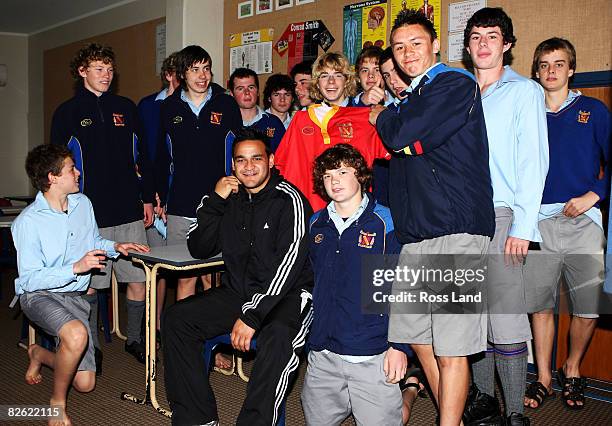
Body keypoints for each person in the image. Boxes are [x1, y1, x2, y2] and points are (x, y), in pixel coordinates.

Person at [369, 10, 495, 425]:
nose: (407, 54)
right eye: (399, 47)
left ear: (436, 45)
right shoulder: (415, 99)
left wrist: (383, 115)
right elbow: (407, 147)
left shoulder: (454, 84)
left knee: (452, 347)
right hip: (417, 235)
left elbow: (400, 136)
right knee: (417, 338)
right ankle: (452, 419)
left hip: (455, 232)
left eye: (416, 43)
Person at [162, 127, 313, 426]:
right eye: (241, 160)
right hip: (239, 293)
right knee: (177, 319)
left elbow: (290, 263)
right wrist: (215, 201)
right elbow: (199, 247)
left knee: (278, 338)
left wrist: (253, 316)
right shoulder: (229, 200)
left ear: (271, 160)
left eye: (256, 158)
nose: (249, 166)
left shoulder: (289, 200)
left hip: (287, 297)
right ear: (233, 166)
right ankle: (198, 419)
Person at [12, 144, 149, 426]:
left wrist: (115, 246)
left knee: (85, 383)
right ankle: (56, 405)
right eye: (71, 168)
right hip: (39, 295)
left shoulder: (82, 203)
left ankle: (38, 353)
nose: (78, 172)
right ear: (52, 177)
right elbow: (29, 279)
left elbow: (93, 243)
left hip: (72, 295)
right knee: (76, 336)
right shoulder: (28, 222)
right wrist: (75, 267)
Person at [462, 8, 549, 426]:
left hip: (502, 215)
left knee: (506, 313)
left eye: (492, 36)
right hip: (462, 218)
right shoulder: (459, 91)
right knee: (472, 314)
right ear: (467, 45)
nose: (483, 44)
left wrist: (523, 226)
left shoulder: (524, 92)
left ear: (507, 44)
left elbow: (535, 162)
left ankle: (515, 412)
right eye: (476, 36)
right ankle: (484, 402)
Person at [302, 144, 423, 426]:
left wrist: (399, 347)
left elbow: (405, 287)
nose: (335, 180)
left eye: (343, 172)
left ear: (361, 176)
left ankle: (411, 389)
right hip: (324, 353)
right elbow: (310, 281)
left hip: (373, 352)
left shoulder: (386, 223)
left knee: (392, 420)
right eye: (328, 174)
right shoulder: (316, 224)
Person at [50, 43, 154, 366]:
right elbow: (56, 165)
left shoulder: (127, 107)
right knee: (90, 287)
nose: (106, 75)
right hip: (88, 215)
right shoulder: (66, 113)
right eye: (98, 69)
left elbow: (143, 156)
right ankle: (91, 344)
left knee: (137, 280)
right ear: (82, 71)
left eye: (110, 70)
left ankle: (135, 339)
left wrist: (147, 197)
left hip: (128, 209)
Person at [524, 37, 610, 411]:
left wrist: (595, 194)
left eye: (559, 64)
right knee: (540, 306)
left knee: (588, 307)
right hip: (537, 222)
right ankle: (543, 375)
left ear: (571, 69)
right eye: (544, 64)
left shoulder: (593, 110)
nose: (551, 71)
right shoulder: (527, 113)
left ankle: (571, 368)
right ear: (536, 71)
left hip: (583, 221)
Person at [155, 45, 242, 301]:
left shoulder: (226, 104)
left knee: (212, 277)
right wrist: (159, 194)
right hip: (180, 204)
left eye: (206, 69)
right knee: (185, 276)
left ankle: (212, 340)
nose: (202, 75)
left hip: (219, 204)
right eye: (195, 70)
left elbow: (237, 151)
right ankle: (184, 337)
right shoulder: (168, 108)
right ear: (183, 74)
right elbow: (162, 157)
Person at [275, 51, 389, 211]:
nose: (331, 81)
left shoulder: (365, 117)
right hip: (310, 211)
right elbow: (281, 166)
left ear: (347, 80)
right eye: (323, 75)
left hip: (354, 211)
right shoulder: (301, 119)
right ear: (316, 82)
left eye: (337, 75)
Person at [137, 51, 179, 337]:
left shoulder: (194, 107)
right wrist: (151, 194)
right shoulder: (148, 106)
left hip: (180, 194)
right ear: (169, 75)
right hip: (153, 192)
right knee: (158, 263)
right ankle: (155, 324)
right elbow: (145, 153)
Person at [228, 67, 285, 152]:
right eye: (240, 89)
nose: (247, 93)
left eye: (251, 87)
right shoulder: (225, 124)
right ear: (232, 94)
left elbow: (284, 160)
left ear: (258, 92)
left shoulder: (274, 123)